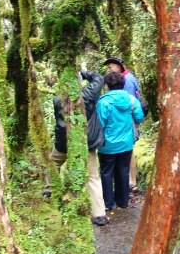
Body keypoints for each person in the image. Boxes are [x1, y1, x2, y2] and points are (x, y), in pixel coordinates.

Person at [48, 70, 110, 226]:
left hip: (64, 142)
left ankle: (48, 190)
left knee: (51, 164)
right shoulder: (88, 95)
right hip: (85, 142)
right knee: (93, 177)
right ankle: (99, 214)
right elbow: (99, 78)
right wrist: (84, 73)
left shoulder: (57, 100)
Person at [96, 70, 144, 212]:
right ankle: (123, 201)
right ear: (123, 84)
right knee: (123, 171)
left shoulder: (103, 102)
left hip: (107, 145)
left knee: (106, 173)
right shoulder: (131, 100)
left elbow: (100, 124)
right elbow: (140, 117)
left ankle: (109, 203)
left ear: (107, 86)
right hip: (126, 143)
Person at [104, 57, 146, 190]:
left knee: (127, 151)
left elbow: (127, 103)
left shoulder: (126, 80)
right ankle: (129, 182)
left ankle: (130, 182)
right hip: (129, 120)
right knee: (127, 150)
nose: (108, 70)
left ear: (118, 67)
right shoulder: (128, 77)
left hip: (126, 121)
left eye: (110, 67)